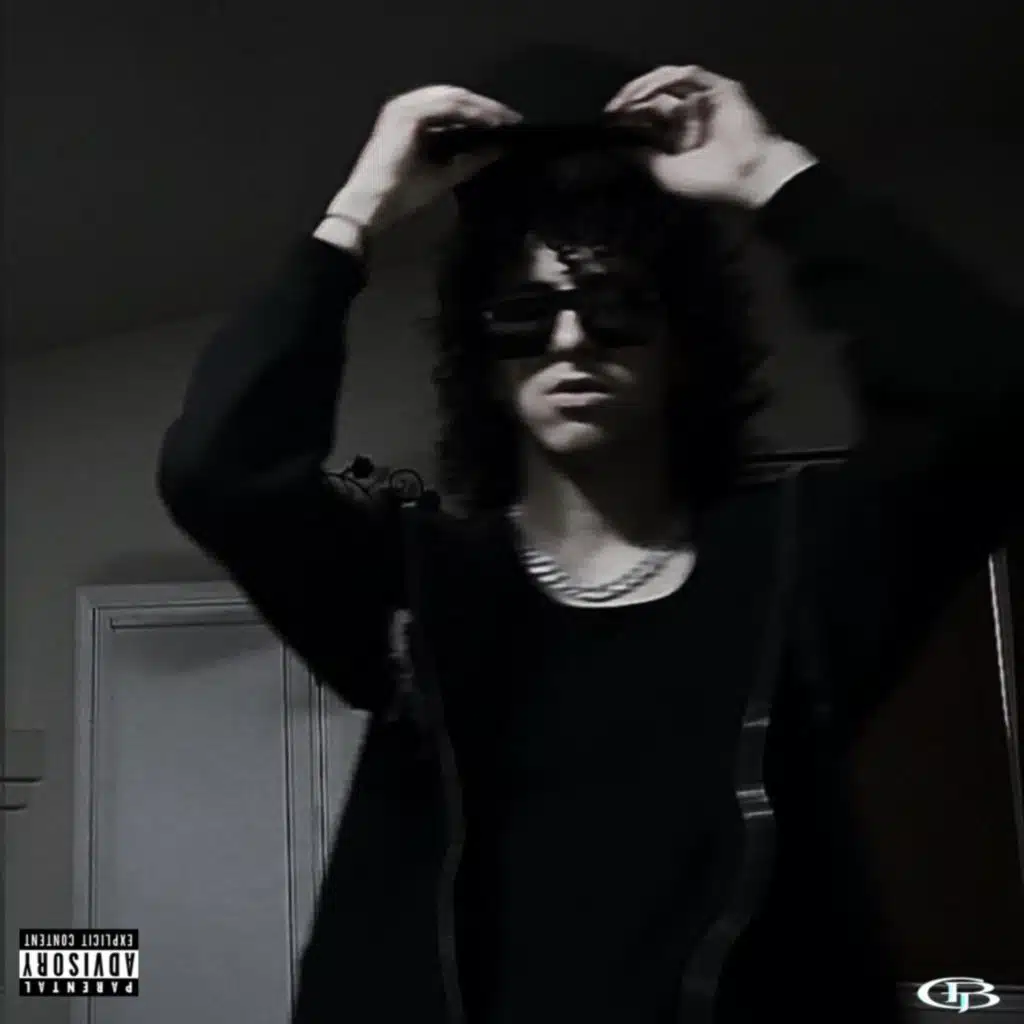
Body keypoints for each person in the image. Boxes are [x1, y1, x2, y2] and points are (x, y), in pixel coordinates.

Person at [156, 45, 1023, 1024]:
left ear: (680, 346)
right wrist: (358, 211)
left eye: (614, 307)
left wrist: (771, 172)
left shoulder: (799, 569)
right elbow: (218, 469)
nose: (570, 338)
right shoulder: (416, 586)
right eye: (525, 315)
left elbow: (989, 402)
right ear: (486, 361)